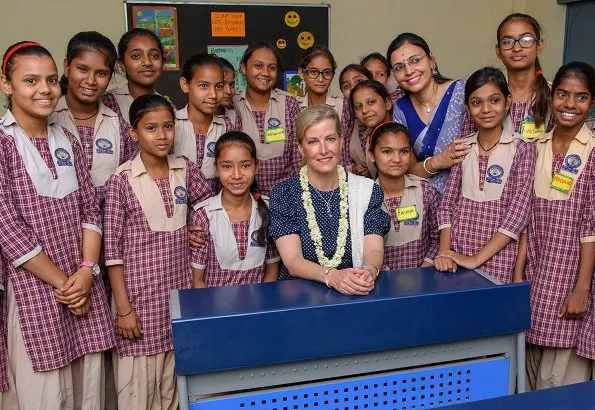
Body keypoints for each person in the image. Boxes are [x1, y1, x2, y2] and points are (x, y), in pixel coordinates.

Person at [0, 41, 115, 410]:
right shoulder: (3, 143)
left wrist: (85, 272)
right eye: (30, 80)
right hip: (34, 286)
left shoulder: (66, 139)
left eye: (51, 79)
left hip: (84, 278)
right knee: (46, 394)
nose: (45, 89)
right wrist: (66, 285)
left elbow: (90, 210)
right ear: (7, 85)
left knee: (89, 389)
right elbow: (6, 227)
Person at [103, 94, 212, 409]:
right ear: (133, 132)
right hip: (138, 303)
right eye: (151, 128)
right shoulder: (121, 181)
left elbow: (208, 208)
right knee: (139, 390)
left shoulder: (184, 169)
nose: (162, 135)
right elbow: (112, 253)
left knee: (174, 386)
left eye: (168, 126)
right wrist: (123, 310)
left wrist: (196, 226)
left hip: (177, 299)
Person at [520, 62, 595, 390]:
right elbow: (525, 218)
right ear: (551, 97)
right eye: (563, 94)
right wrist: (518, 274)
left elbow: (591, 228)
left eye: (581, 97)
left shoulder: (592, 152)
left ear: (592, 103)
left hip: (572, 281)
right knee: (530, 376)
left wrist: (581, 290)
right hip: (537, 277)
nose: (569, 104)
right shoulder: (537, 147)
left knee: (561, 385)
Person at [269, 105, 390, 295]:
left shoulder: (366, 190)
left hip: (354, 293)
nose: (324, 150)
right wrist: (332, 277)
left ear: (341, 141)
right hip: (298, 299)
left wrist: (368, 273)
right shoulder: (285, 194)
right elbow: (293, 262)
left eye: (330, 139)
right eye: (313, 142)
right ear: (301, 148)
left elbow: (373, 251)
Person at [435, 67, 535, 283]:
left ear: (507, 102)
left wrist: (475, 259)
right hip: (456, 257)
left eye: (494, 100)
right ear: (468, 109)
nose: (486, 109)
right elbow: (447, 205)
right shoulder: (462, 147)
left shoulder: (522, 149)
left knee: (492, 314)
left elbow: (518, 214)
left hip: (499, 260)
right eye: (476, 102)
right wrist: (445, 252)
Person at [191, 131, 280, 287]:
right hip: (215, 307)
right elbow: (197, 280)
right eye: (227, 166)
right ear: (216, 168)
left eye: (245, 165)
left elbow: (272, 268)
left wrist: (261, 307)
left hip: (259, 306)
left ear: (256, 166)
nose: (237, 175)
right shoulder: (204, 215)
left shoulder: (268, 208)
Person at [388, 32, 474, 193]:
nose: (408, 71)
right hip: (430, 200)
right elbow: (409, 169)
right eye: (399, 67)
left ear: (431, 61)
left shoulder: (463, 91)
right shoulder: (401, 109)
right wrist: (437, 161)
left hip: (472, 195)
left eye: (415, 60)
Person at [52, 31, 132, 203]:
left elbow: (131, 184)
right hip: (62, 223)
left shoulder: (118, 125)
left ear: (111, 76)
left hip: (110, 224)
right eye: (82, 69)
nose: (90, 80)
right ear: (67, 66)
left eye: (101, 73)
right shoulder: (47, 118)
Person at [234, 42, 302, 196]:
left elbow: (298, 158)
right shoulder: (233, 105)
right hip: (244, 197)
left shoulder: (288, 104)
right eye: (258, 66)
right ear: (244, 68)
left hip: (286, 196)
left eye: (272, 68)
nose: (265, 73)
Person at [369, 122, 439, 270]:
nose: (397, 159)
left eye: (404, 151)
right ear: (371, 155)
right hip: (381, 284)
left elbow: (437, 239)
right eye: (387, 151)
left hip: (423, 281)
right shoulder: (364, 197)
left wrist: (424, 269)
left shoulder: (425, 191)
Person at [173, 53, 234, 189]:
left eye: (218, 87)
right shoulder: (172, 124)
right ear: (185, 85)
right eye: (204, 86)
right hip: (178, 205)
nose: (213, 95)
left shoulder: (227, 127)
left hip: (216, 206)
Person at [496, 13, 555, 138]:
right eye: (507, 41)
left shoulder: (555, 96)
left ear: (539, 46)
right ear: (498, 51)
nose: (517, 48)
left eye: (526, 40)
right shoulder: (488, 95)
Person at [297, 45, 353, 167]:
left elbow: (347, 152)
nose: (321, 79)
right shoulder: (294, 107)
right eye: (313, 72)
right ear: (301, 73)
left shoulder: (343, 106)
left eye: (327, 73)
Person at [102, 28, 166, 120]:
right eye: (136, 56)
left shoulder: (167, 106)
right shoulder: (107, 103)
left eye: (154, 55)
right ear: (122, 64)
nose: (147, 62)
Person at [350, 80, 393, 179]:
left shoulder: (400, 131)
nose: (364, 110)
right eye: (358, 106)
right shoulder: (368, 136)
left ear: (387, 103)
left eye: (371, 102)